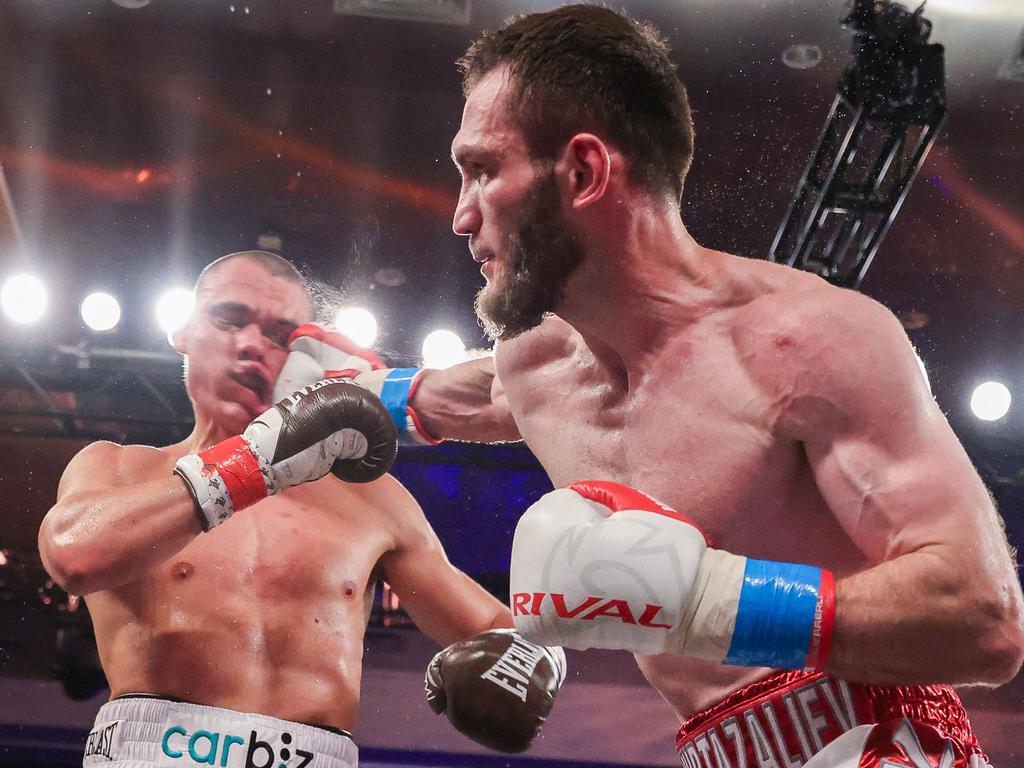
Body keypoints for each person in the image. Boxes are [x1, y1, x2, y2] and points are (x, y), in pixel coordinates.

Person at [362, 6, 1024, 766]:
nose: (459, 215)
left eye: (482, 169)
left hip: (876, 738)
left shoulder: (807, 341)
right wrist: (345, 398)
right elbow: (459, 399)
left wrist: (709, 601)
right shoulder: (532, 366)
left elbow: (984, 620)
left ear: (583, 171)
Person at [38, 250, 564, 768]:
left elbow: (506, 636)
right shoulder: (120, 469)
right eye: (230, 318)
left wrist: (544, 655)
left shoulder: (371, 499)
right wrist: (256, 462)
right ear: (182, 329)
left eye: (278, 334)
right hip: (152, 754)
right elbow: (74, 555)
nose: (250, 345)